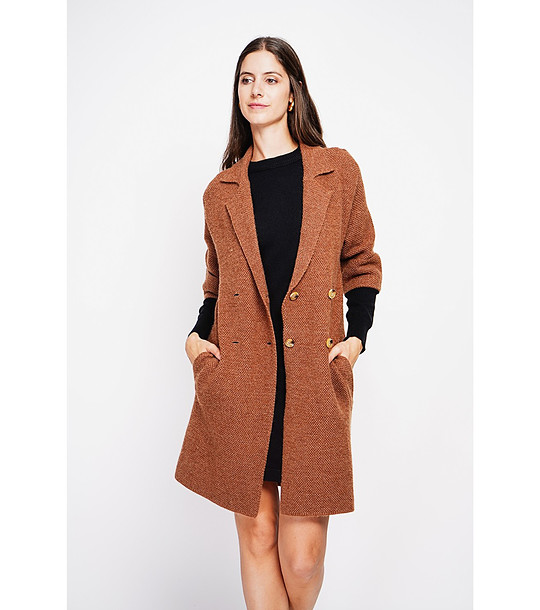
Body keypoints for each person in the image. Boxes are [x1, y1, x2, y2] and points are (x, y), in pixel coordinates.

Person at [176, 36, 382, 610]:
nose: (257, 90)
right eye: (246, 79)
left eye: (270, 78)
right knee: (258, 537)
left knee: (302, 558)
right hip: (241, 380)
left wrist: (355, 340)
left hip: (313, 377)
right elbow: (217, 282)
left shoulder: (336, 171)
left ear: (293, 92)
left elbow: (361, 262)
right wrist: (196, 340)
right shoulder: (221, 191)